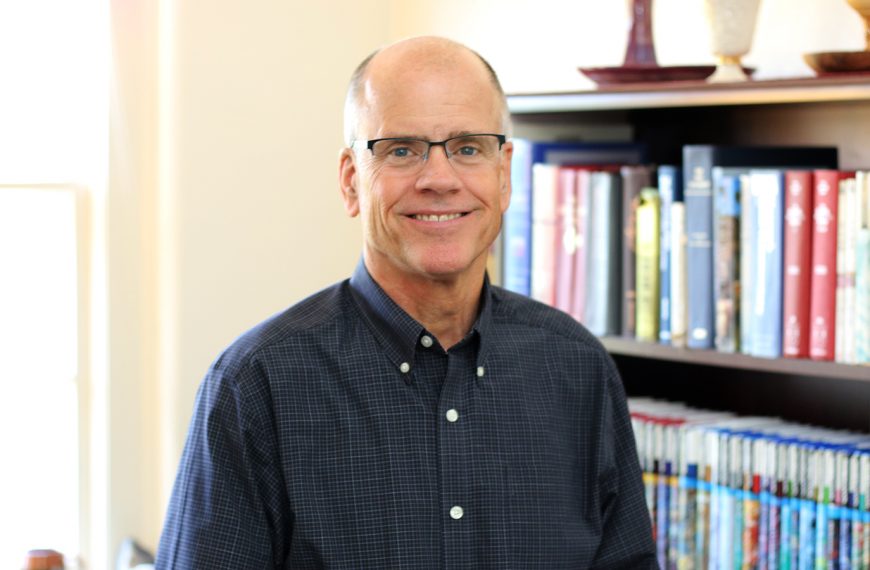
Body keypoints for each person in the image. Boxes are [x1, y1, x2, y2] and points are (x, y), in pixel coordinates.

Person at [155, 36, 656, 569]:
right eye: (401, 150)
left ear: (504, 174)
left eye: (467, 148)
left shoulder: (577, 368)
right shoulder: (256, 386)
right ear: (351, 182)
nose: (439, 179)